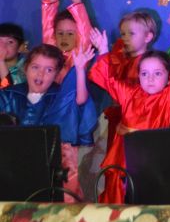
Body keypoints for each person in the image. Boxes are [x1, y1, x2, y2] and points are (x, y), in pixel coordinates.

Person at [91, 24, 170, 203]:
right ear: (138, 75)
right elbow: (109, 80)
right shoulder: (128, 93)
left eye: (157, 73)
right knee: (117, 199)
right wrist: (102, 49)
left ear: (168, 77)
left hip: (153, 158)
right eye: (144, 73)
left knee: (148, 201)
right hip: (123, 156)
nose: (150, 79)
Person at [0, 44, 97, 199]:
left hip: (49, 166)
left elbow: (80, 99)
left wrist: (79, 70)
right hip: (13, 165)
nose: (41, 74)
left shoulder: (60, 97)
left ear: (57, 74)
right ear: (25, 68)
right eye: (35, 67)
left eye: (49, 70)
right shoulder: (9, 95)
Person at [41, 0, 95, 200]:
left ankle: (70, 209)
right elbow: (47, 33)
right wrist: (51, 3)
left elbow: (85, 32)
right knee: (48, 173)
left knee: (70, 174)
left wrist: (77, 3)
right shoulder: (52, 56)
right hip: (51, 123)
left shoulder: (79, 56)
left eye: (70, 33)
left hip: (73, 124)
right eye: (60, 33)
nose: (64, 38)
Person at [89, 10, 157, 165]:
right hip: (118, 120)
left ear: (148, 37)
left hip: (138, 125)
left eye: (131, 33)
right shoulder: (122, 61)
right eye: (123, 34)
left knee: (132, 164)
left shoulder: (150, 65)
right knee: (116, 165)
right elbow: (105, 79)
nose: (125, 38)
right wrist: (103, 51)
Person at [0, 23, 26, 88]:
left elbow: (10, 91)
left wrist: (1, 61)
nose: (2, 46)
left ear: (20, 47)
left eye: (10, 42)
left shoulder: (25, 69)